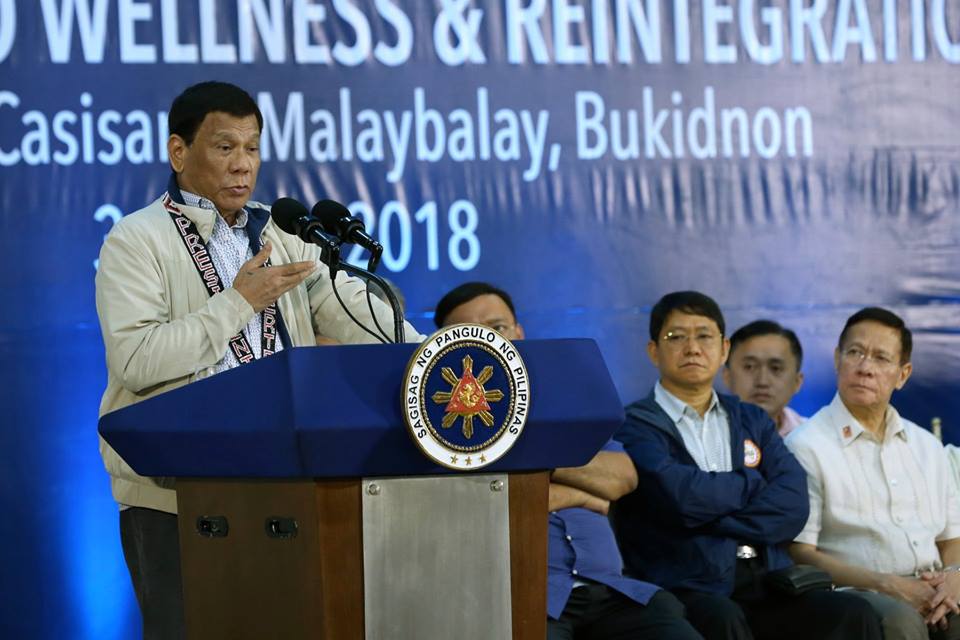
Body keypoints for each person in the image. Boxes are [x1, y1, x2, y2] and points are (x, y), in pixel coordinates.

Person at [95, 81, 421, 639]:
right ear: (179, 152)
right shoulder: (135, 240)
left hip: (284, 484)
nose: (242, 164)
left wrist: (428, 355)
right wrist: (239, 303)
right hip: (176, 498)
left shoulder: (280, 231)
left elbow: (349, 308)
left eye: (252, 148)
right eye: (225, 147)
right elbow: (138, 360)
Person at [434, 282, 703, 640]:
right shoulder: (441, 427)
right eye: (470, 333)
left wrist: (530, 460)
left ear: (519, 333)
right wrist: (586, 495)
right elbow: (474, 505)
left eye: (498, 328)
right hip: (524, 600)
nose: (489, 341)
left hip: (614, 592)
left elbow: (622, 477)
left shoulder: (567, 406)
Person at [612, 291, 881, 640]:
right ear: (653, 351)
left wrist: (706, 519)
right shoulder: (634, 425)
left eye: (704, 336)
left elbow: (792, 505)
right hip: (688, 585)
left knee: (852, 614)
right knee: (722, 617)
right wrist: (752, 482)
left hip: (768, 581)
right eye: (676, 337)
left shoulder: (751, 418)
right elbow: (680, 498)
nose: (692, 348)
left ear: (723, 349)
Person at [786, 307, 960, 640]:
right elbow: (799, 552)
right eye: (855, 352)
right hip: (858, 594)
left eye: (881, 358)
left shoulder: (927, 446)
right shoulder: (805, 446)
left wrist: (954, 576)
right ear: (837, 359)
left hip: (932, 586)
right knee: (901, 622)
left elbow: (952, 538)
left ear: (903, 374)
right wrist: (888, 584)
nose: (865, 368)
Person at [723, 320, 806, 437]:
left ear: (797, 382)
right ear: (727, 376)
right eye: (749, 367)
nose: (762, 381)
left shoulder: (815, 439)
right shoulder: (705, 435)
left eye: (776, 368)